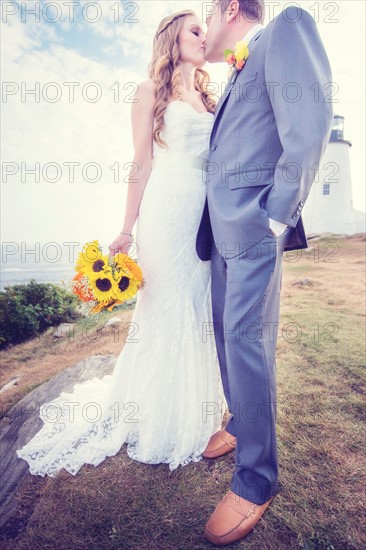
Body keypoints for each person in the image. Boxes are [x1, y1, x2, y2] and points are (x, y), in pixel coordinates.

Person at [16, 10, 227, 477]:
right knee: (166, 305)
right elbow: (141, 163)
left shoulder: (213, 97)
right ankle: (159, 415)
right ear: (172, 35)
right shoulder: (149, 91)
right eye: (194, 29)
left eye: (204, 28)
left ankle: (201, 406)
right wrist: (126, 229)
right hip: (167, 210)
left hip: (206, 215)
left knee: (197, 305)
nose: (203, 35)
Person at [196, 0, 333, 545]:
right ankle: (238, 423)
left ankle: (255, 479)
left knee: (244, 339)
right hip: (221, 231)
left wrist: (275, 217)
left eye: (206, 15)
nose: (203, 27)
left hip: (254, 227)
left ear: (230, 8)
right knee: (227, 341)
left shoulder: (288, 29)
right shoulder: (236, 68)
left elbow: (310, 127)